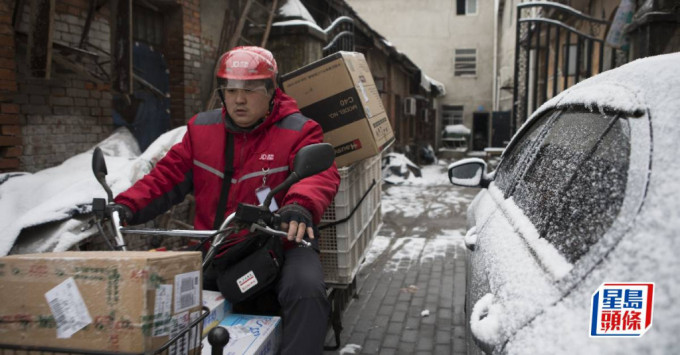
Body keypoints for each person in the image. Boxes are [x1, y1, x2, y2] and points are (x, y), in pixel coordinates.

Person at [111, 46, 340, 354]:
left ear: (273, 89)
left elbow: (320, 174)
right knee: (165, 300)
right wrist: (126, 205)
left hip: (281, 242)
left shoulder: (299, 130)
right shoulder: (201, 130)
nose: (239, 99)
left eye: (251, 89)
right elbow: (165, 177)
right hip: (217, 245)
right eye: (230, 90)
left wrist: (298, 205)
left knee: (306, 291)